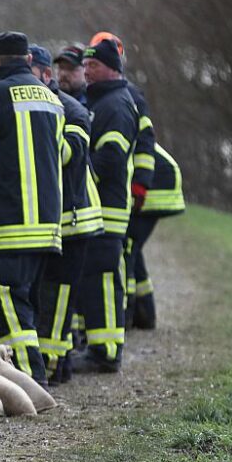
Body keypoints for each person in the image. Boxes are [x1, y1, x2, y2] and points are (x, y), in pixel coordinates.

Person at [0, 31, 64, 383]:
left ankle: (31, 378)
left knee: (9, 301)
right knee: (29, 300)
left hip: (10, 221)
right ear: (29, 60)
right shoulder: (52, 98)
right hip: (48, 222)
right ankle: (36, 370)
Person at [27, 44, 103, 382]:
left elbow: (67, 157)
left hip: (73, 218)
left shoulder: (71, 110)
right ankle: (58, 364)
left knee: (57, 296)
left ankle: (54, 366)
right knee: (48, 295)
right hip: (51, 219)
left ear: (43, 76)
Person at [73, 37, 142, 373]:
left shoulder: (115, 104)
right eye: (84, 65)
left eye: (94, 65)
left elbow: (112, 157)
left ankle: (106, 351)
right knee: (98, 276)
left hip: (108, 208)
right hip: (103, 206)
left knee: (102, 277)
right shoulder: (105, 100)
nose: (86, 71)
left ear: (112, 69)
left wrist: (80, 176)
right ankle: (101, 346)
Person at [128, 142, 186, 329]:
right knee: (132, 247)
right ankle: (144, 313)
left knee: (128, 247)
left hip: (157, 182)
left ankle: (130, 313)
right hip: (159, 177)